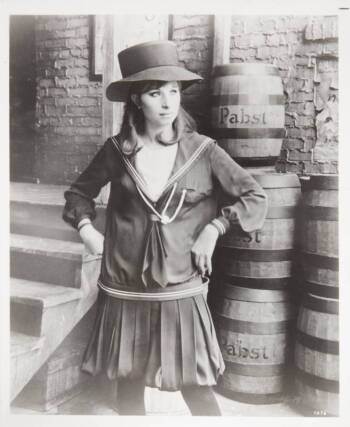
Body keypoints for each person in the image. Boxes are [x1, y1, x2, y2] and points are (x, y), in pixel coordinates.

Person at [62, 40, 268, 416]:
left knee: (198, 389)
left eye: (173, 91)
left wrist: (215, 228)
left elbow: (255, 197)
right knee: (127, 387)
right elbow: (78, 194)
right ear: (137, 100)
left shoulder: (204, 151)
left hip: (180, 291)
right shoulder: (117, 150)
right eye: (155, 93)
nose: (167, 101)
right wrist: (88, 230)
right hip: (126, 291)